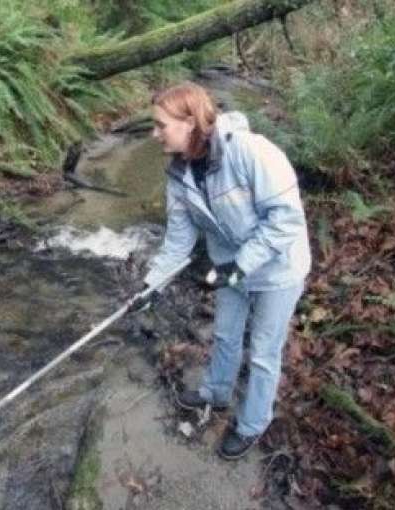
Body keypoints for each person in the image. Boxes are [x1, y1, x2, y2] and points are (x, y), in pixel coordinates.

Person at [129, 82, 311, 460]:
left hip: (277, 268)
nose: (154, 133)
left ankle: (252, 424)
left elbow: (286, 219)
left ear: (190, 122)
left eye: (161, 125)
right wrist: (151, 287)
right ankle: (216, 392)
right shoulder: (178, 175)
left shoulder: (251, 151)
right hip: (228, 266)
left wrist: (240, 266)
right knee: (226, 335)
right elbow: (178, 242)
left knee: (263, 352)